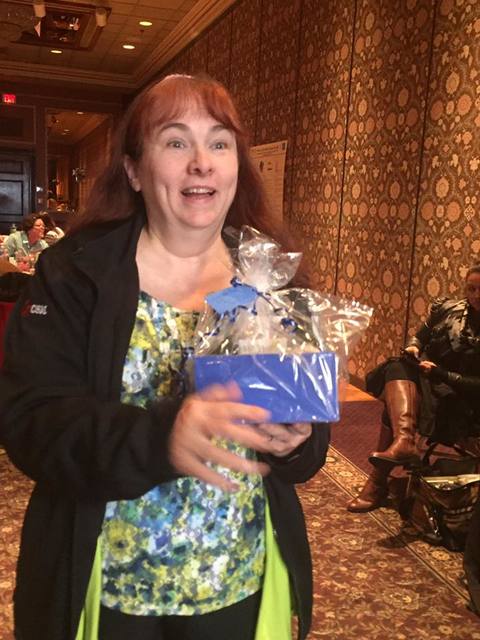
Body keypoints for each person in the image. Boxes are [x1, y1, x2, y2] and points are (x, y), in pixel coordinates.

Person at [0, 74, 330, 640]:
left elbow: (308, 445)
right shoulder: (75, 272)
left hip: (236, 578)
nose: (201, 162)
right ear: (133, 169)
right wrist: (161, 437)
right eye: (176, 141)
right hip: (108, 586)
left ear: (237, 166)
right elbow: (30, 422)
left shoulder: (271, 276)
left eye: (219, 143)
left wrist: (297, 439)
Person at [347, 265, 480, 513]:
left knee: (395, 409)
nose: (476, 295)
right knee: (398, 367)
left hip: (466, 401)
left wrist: (442, 374)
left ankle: (378, 480)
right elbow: (419, 336)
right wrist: (414, 348)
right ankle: (404, 441)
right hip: (433, 382)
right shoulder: (449, 309)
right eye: (471, 288)